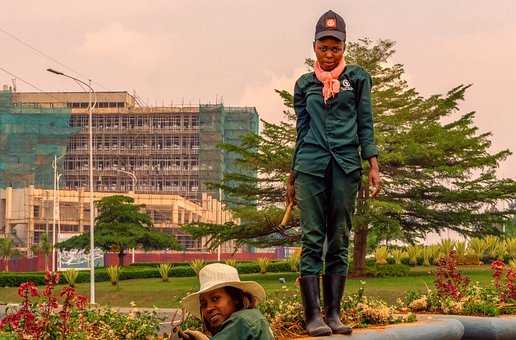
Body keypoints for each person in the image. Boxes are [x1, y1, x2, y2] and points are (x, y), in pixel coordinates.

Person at [286, 10, 381, 337]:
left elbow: (365, 123)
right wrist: (292, 174)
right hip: (311, 165)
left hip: (345, 165)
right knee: (313, 237)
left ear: (344, 47)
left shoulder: (357, 79)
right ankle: (313, 316)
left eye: (335, 48)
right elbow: (302, 129)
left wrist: (373, 163)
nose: (329, 54)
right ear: (314, 46)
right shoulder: (304, 84)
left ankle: (334, 314)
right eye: (323, 48)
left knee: (339, 237)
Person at [180, 263, 275, 340]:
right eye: (204, 304)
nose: (208, 308)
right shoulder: (250, 318)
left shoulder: (241, 321)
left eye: (215, 299)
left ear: (236, 298)